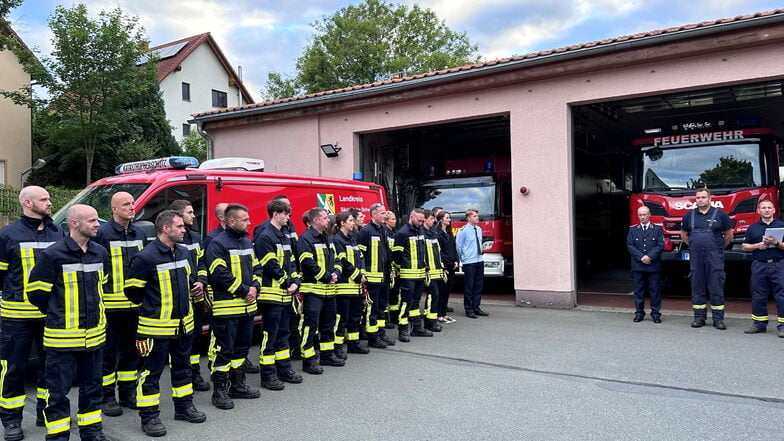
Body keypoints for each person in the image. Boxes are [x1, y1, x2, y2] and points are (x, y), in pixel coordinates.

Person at [27, 205, 110, 441]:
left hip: (94, 338)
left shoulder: (100, 252)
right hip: (61, 339)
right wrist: (58, 313)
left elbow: (101, 286)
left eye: (97, 220)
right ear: (74, 223)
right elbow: (36, 293)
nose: (97, 224)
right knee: (58, 394)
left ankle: (92, 432)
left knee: (93, 389)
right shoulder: (52, 254)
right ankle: (58, 436)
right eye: (92, 220)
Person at [124, 210, 207, 437]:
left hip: (183, 326)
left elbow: (189, 278)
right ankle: (149, 417)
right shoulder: (145, 257)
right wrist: (155, 307)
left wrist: (198, 283)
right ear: (166, 228)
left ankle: (184, 407)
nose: (184, 230)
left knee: (183, 369)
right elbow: (132, 292)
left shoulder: (182, 251)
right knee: (150, 374)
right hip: (155, 329)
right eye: (180, 226)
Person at [0, 186, 64, 441]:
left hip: (50, 315)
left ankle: (46, 412)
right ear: (28, 203)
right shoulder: (7, 235)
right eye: (44, 199)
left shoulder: (57, 231)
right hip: (17, 317)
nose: (49, 203)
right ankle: (11, 420)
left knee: (51, 367)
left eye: (49, 198)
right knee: (13, 369)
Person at [205, 204, 262, 409]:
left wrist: (255, 287)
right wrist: (244, 290)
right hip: (227, 309)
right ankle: (219, 392)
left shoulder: (247, 242)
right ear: (231, 221)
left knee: (241, 350)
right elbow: (219, 274)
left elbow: (257, 267)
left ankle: (238, 385)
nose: (249, 222)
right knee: (224, 350)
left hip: (247, 308)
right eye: (245, 220)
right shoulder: (217, 243)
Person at [94, 192, 146, 417]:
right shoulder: (102, 234)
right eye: (125, 204)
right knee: (107, 354)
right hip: (109, 307)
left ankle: (127, 393)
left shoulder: (140, 233)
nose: (131, 207)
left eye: (133, 203)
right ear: (113, 209)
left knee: (131, 352)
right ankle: (107, 397)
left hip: (134, 306)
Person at [254, 199, 303, 390]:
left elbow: (291, 261)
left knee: (284, 333)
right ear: (275, 214)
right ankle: (267, 374)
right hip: (271, 294)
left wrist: (295, 280)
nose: (288, 217)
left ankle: (284, 369)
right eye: (286, 214)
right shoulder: (265, 236)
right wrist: (287, 281)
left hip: (285, 294)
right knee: (270, 335)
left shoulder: (283, 235)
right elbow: (270, 265)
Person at [168, 200, 211, 392]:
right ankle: (183, 374)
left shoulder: (195, 237)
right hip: (182, 297)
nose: (194, 216)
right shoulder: (174, 240)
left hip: (197, 295)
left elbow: (202, 262)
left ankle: (194, 373)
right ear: (178, 215)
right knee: (181, 340)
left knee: (195, 337)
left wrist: (201, 281)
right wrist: (192, 283)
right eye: (190, 212)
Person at [297, 208, 343, 374]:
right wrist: (326, 276)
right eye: (324, 218)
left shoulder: (328, 238)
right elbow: (307, 261)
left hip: (329, 290)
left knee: (328, 324)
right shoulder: (305, 239)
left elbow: (337, 259)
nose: (328, 220)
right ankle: (308, 360)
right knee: (310, 326)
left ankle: (327, 355)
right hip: (313, 291)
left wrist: (336, 273)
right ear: (315, 220)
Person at [680, 188, 733, 330]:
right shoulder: (689, 216)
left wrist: (718, 247)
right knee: (697, 285)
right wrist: (693, 244)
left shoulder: (720, 215)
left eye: (703, 197)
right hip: (696, 256)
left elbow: (728, 235)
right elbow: (684, 235)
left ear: (709, 198)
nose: (700, 200)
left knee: (716, 285)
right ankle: (699, 317)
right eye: (698, 197)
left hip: (714, 256)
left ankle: (718, 319)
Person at [741, 199, 784, 336]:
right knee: (758, 295)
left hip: (778, 264)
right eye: (763, 207)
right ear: (759, 211)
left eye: (769, 207)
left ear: (773, 210)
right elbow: (744, 246)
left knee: (782, 295)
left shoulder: (782, 226)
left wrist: (776, 243)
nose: (766, 210)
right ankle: (759, 324)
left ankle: (783, 326)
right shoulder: (752, 228)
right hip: (759, 265)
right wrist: (757, 246)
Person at [357, 203, 396, 348]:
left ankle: (380, 333)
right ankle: (373, 337)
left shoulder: (383, 230)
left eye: (386, 212)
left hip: (384, 276)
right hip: (372, 278)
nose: (385, 215)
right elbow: (360, 255)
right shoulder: (366, 231)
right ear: (373, 214)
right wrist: (363, 274)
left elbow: (386, 252)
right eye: (382, 213)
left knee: (382, 308)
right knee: (372, 310)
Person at [392, 209, 432, 341]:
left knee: (415, 303)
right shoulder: (402, 233)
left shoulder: (419, 230)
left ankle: (416, 327)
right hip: (407, 275)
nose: (421, 223)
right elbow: (396, 255)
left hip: (419, 274)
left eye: (422, 221)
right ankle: (403, 329)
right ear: (411, 217)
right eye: (419, 220)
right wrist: (402, 268)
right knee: (405, 303)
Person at [332, 212, 368, 356]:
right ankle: (338, 347)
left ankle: (354, 344)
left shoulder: (352, 239)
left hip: (356, 286)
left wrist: (363, 273)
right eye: (351, 221)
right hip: (344, 287)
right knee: (342, 319)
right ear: (342, 223)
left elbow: (360, 258)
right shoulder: (337, 240)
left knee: (355, 317)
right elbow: (343, 262)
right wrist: (358, 275)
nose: (353, 223)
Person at [626, 206, 664, 323]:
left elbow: (660, 245)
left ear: (649, 215)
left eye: (644, 214)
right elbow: (630, 245)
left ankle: (655, 314)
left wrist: (649, 256)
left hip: (653, 265)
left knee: (655, 290)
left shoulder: (657, 229)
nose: (642, 217)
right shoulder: (633, 230)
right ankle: (639, 313)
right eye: (640, 215)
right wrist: (641, 257)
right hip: (638, 265)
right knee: (639, 291)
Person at [456, 209, 487, 319]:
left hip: (479, 260)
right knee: (469, 286)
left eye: (477, 216)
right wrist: (463, 258)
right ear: (469, 218)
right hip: (469, 262)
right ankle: (468, 309)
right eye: (475, 216)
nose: (477, 218)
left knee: (478, 285)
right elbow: (459, 246)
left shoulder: (478, 229)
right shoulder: (463, 231)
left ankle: (476, 307)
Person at [422, 209, 443, 332]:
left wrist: (442, 267)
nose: (434, 220)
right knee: (432, 295)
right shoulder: (422, 233)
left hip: (436, 270)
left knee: (435, 296)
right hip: (428, 271)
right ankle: (430, 322)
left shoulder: (433, 232)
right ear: (425, 219)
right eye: (431, 218)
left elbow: (437, 252)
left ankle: (431, 319)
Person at [435, 210, 457, 324]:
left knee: (447, 291)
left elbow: (454, 248)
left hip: (452, 265)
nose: (449, 219)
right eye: (447, 217)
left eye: (449, 217)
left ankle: (444, 314)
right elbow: (440, 252)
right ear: (441, 219)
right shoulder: (437, 233)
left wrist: (456, 261)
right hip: (445, 267)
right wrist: (447, 264)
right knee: (442, 291)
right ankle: (439, 314)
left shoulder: (449, 233)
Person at [383, 211, 399, 329]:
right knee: (386, 295)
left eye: (395, 219)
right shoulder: (384, 232)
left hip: (395, 267)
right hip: (388, 268)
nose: (394, 221)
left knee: (394, 294)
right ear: (386, 220)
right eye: (392, 219)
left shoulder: (394, 233)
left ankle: (394, 317)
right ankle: (385, 318)